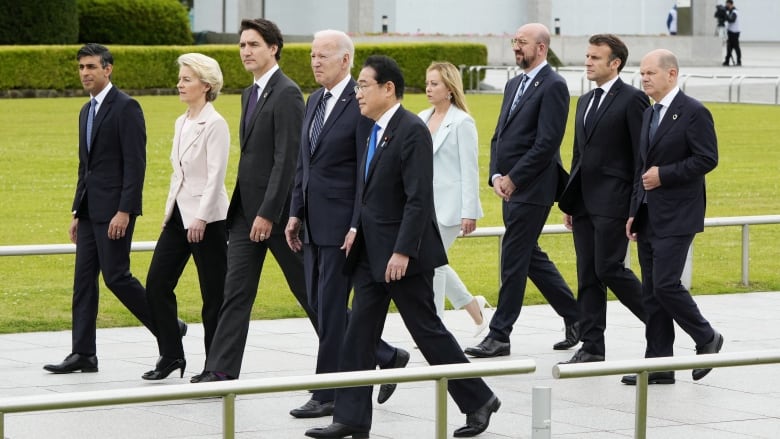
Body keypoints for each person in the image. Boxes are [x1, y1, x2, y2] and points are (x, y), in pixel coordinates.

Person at [305, 55, 500, 439]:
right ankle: (351, 418)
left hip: (402, 256)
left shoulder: (411, 130)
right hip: (367, 251)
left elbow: (418, 199)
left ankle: (479, 399)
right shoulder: (369, 128)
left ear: (388, 88)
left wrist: (403, 251)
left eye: (364, 85)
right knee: (357, 335)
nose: (357, 92)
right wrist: (354, 227)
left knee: (428, 331)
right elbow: (365, 189)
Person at [285, 29, 407, 417]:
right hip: (311, 221)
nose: (315, 61)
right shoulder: (314, 100)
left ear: (345, 61)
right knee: (320, 305)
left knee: (332, 307)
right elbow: (304, 162)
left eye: (323, 55)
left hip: (342, 225)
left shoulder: (360, 105)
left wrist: (357, 223)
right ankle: (386, 356)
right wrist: (294, 211)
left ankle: (328, 393)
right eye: (312, 55)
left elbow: (365, 172)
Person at [195, 18, 318, 383]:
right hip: (245, 214)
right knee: (235, 293)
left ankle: (378, 354)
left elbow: (287, 159)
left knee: (310, 294)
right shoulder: (250, 94)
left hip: (277, 218)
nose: (246, 51)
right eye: (242, 45)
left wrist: (267, 213)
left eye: (253, 45)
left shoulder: (288, 93)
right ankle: (220, 370)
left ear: (273, 48)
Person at [464, 23, 581, 359]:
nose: (516, 47)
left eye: (523, 43)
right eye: (514, 41)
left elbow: (547, 143)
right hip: (509, 187)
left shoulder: (554, 86)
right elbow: (500, 135)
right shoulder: (514, 83)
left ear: (541, 47)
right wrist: (496, 175)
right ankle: (577, 317)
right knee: (528, 256)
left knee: (513, 257)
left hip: (534, 187)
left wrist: (514, 178)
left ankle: (500, 335)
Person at [44, 43, 156, 374]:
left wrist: (125, 211)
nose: (85, 73)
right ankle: (83, 354)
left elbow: (136, 166)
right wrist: (77, 212)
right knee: (83, 282)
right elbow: (86, 167)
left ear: (108, 69)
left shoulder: (127, 108)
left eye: (91, 67)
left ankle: (167, 326)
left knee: (117, 277)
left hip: (115, 212)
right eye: (81, 68)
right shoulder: (85, 111)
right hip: (90, 211)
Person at [622, 49, 723, 386]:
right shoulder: (650, 115)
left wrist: (664, 175)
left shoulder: (694, 112)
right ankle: (658, 365)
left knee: (665, 284)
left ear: (672, 74)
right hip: (649, 215)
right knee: (651, 293)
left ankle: (706, 337)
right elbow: (640, 168)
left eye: (651, 73)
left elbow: (707, 158)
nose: (644, 78)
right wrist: (634, 211)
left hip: (679, 214)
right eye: (642, 73)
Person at [557, 34, 648, 365]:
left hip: (615, 202)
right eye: (587, 56)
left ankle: (658, 321)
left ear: (615, 63)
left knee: (609, 268)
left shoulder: (633, 100)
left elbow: (642, 157)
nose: (588, 62)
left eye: (595, 58)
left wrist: (636, 207)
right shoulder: (584, 100)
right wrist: (571, 200)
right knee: (587, 276)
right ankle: (592, 346)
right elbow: (578, 154)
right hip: (583, 203)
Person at [141, 53, 229, 381]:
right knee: (156, 285)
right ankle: (171, 354)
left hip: (209, 220)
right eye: (180, 78)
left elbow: (215, 176)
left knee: (214, 297)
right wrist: (169, 214)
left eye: (187, 79)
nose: (179, 84)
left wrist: (202, 218)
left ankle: (216, 366)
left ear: (206, 86)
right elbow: (178, 175)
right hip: (179, 216)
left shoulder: (216, 123)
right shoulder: (181, 121)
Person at [417, 61, 491, 336]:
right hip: (423, 206)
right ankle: (475, 308)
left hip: (449, 208)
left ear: (449, 88)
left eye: (434, 83)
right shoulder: (422, 117)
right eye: (427, 83)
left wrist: (469, 211)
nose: (428, 88)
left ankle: (433, 328)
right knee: (435, 263)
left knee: (432, 266)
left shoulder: (462, 122)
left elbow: (470, 169)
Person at [723, 0, 741, 66]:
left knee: (736, 47)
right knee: (729, 47)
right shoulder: (730, 12)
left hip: (735, 32)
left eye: (727, 4)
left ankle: (739, 61)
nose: (726, 6)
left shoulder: (734, 12)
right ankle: (727, 61)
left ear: (730, 4)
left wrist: (726, 16)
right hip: (730, 32)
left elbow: (732, 20)